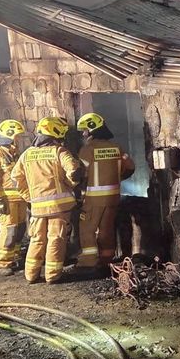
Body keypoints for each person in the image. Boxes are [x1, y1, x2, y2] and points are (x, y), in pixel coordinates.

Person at [10, 116, 84, 284]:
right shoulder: (59, 151)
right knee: (55, 240)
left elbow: (15, 179)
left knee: (36, 240)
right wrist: (73, 184)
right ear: (56, 133)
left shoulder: (27, 154)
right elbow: (73, 171)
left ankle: (30, 275)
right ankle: (52, 275)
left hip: (36, 208)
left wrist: (29, 197)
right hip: (59, 208)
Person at [75, 113, 135, 271]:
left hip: (93, 200)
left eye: (85, 131)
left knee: (87, 229)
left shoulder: (87, 150)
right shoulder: (117, 148)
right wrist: (115, 179)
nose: (83, 134)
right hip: (113, 198)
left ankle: (88, 262)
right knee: (106, 230)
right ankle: (106, 259)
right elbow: (130, 168)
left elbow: (80, 174)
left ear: (92, 130)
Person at [0, 118, 28, 271]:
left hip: (19, 199)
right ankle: (3, 263)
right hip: (6, 200)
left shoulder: (14, 153)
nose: (18, 139)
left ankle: (14, 257)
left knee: (20, 229)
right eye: (17, 136)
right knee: (9, 230)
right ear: (10, 135)